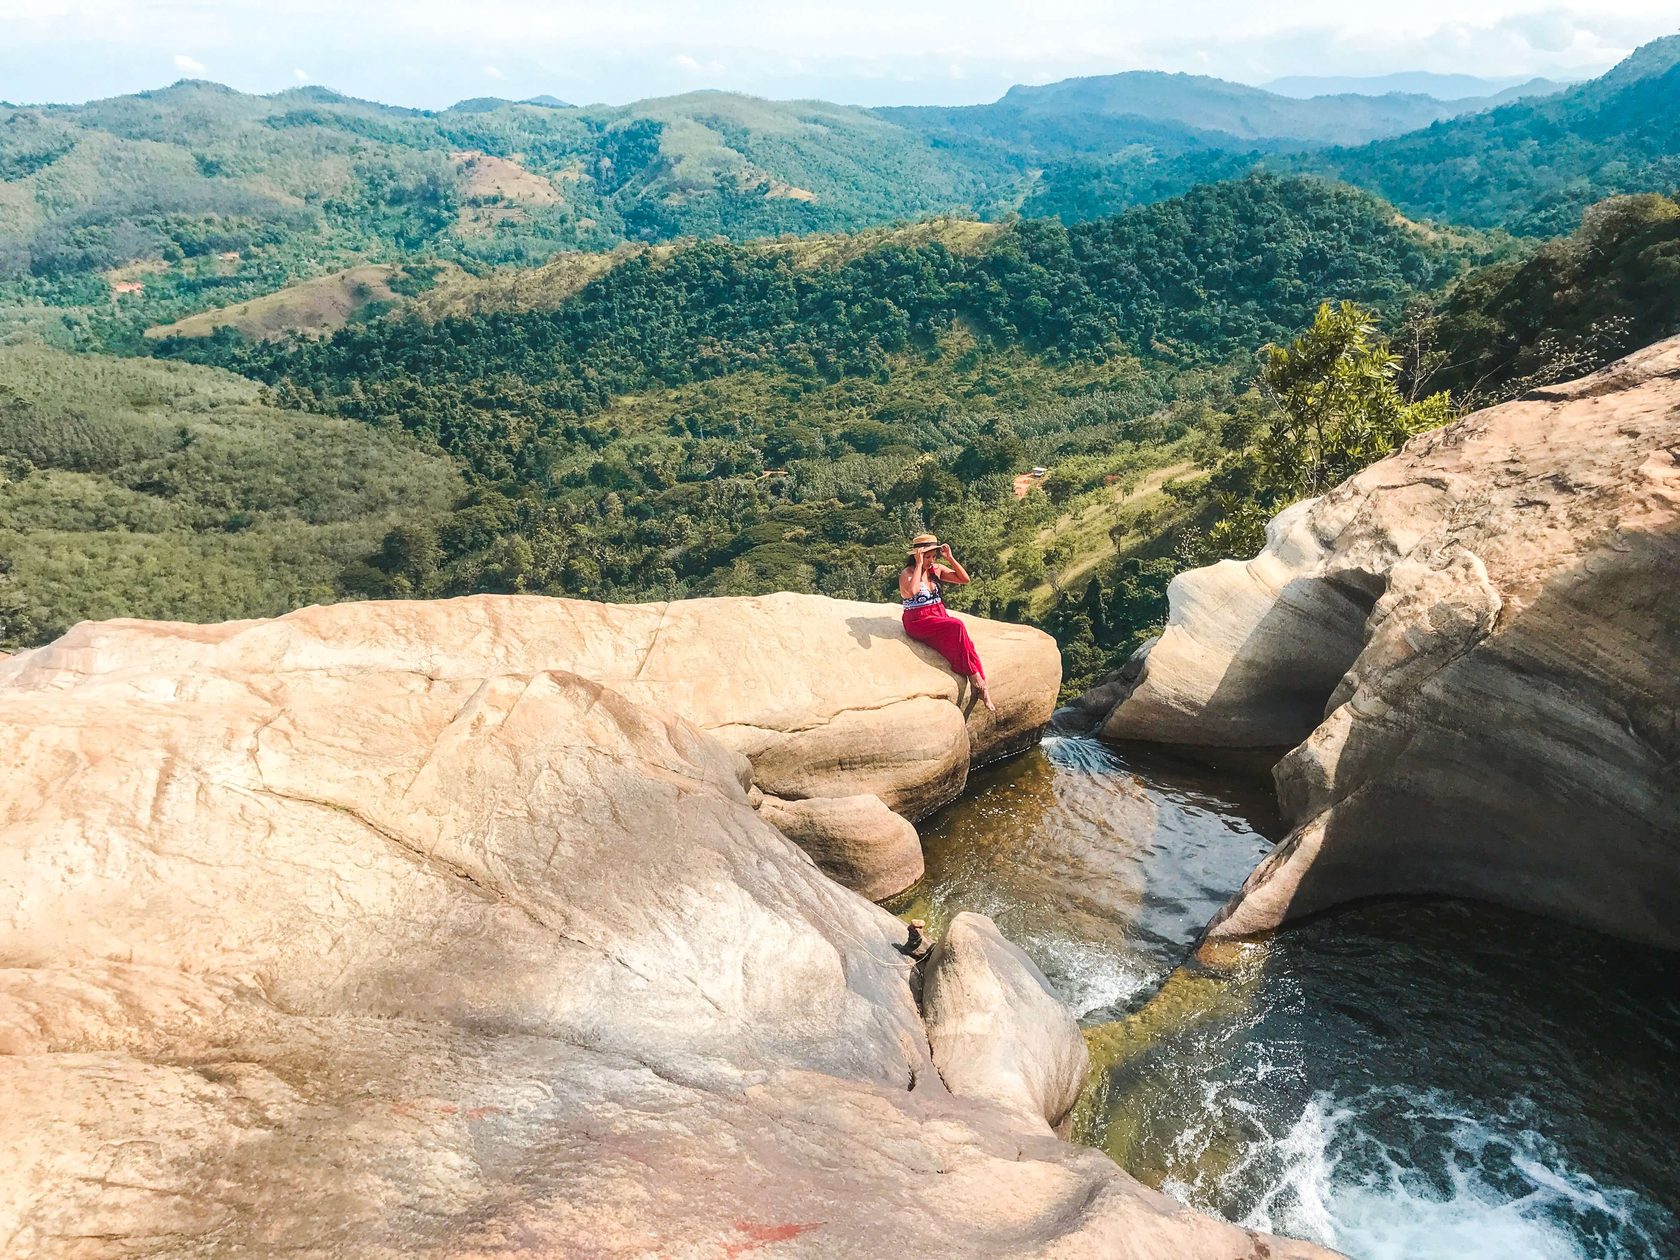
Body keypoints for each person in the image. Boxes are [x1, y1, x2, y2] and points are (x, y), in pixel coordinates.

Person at [898, 533, 994, 713]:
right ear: (917, 555)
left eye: (933, 556)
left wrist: (950, 558)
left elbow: (964, 579)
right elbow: (912, 591)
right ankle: (975, 677)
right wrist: (919, 565)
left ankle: (984, 688)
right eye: (927, 556)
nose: (931, 560)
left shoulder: (936, 569)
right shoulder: (908, 573)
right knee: (957, 626)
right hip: (918, 620)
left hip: (937, 614)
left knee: (967, 644)